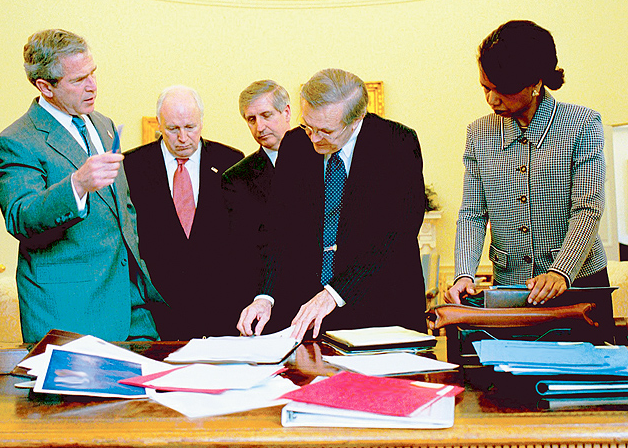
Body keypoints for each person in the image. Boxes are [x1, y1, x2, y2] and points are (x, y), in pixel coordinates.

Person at [0, 29, 163, 344]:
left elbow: (122, 210)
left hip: (133, 307)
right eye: (78, 79)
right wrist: (77, 185)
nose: (92, 85)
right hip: (70, 311)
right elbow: (20, 216)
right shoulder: (15, 141)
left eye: (93, 73)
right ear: (46, 86)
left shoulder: (104, 124)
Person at [237, 68, 427, 340]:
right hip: (310, 315)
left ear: (356, 119)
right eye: (308, 126)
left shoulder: (397, 143)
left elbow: (396, 236)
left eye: (325, 131)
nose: (313, 138)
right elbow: (278, 229)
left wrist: (334, 293)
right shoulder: (294, 144)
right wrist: (265, 296)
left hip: (382, 306)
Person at [446, 20, 611, 310]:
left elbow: (588, 207)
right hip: (510, 289)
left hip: (578, 285)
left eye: (502, 90)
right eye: (485, 87)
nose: (491, 99)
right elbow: (472, 213)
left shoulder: (583, 124)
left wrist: (561, 271)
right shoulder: (477, 133)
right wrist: (463, 273)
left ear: (535, 83)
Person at [123, 86, 244, 340]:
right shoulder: (132, 166)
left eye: (190, 128)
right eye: (172, 129)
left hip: (221, 314)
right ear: (159, 124)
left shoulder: (230, 161)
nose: (182, 138)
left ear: (202, 122)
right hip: (158, 315)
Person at [222, 80, 291, 305]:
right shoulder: (236, 178)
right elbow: (243, 250)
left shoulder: (322, 160)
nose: (259, 127)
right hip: (267, 296)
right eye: (251, 119)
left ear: (287, 112)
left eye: (266, 115)